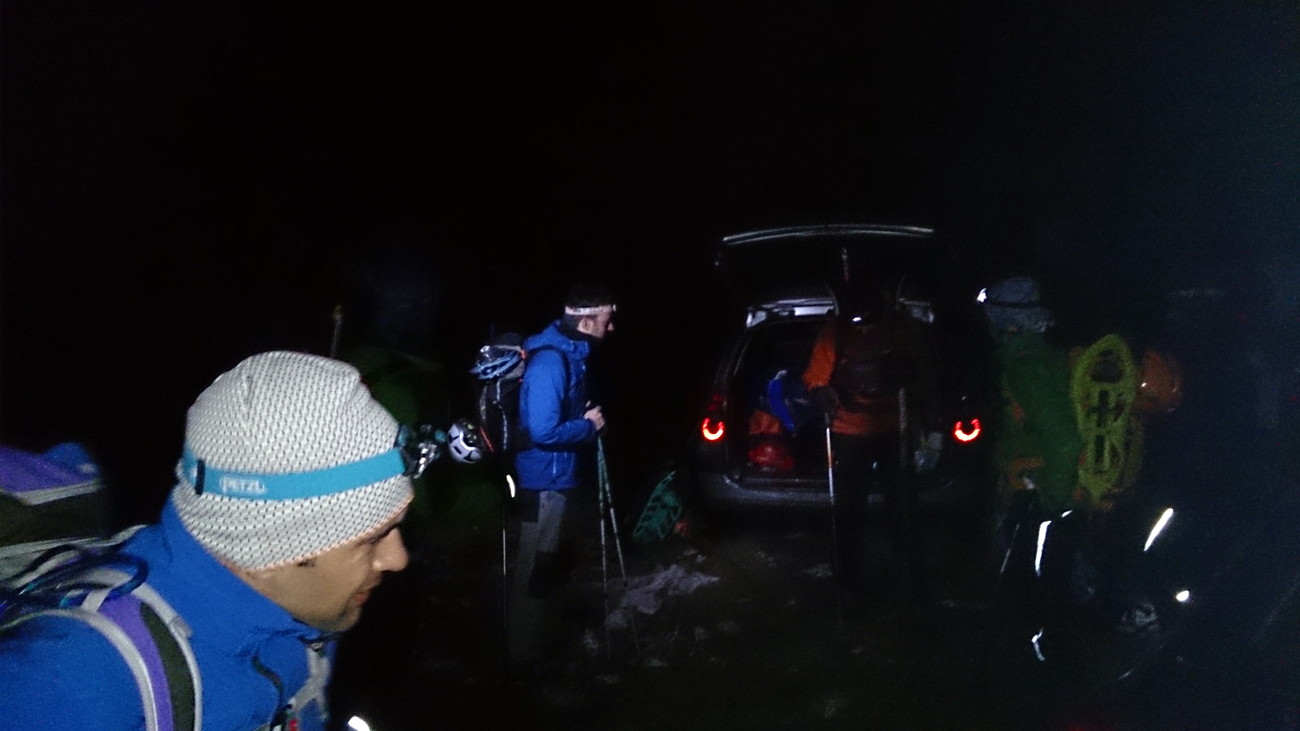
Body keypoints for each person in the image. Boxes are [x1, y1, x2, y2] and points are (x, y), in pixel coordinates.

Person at [0, 351, 415, 730]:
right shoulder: (64, 686)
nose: (398, 559)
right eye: (371, 540)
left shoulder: (306, 616)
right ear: (266, 548)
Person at [507, 283, 616, 673]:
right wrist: (587, 427)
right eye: (606, 320)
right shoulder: (551, 362)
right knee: (536, 565)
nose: (611, 327)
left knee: (546, 562)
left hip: (555, 477)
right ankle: (523, 655)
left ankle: (534, 640)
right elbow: (542, 430)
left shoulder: (571, 354)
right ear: (585, 322)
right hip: (543, 481)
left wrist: (580, 415)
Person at [802, 281, 929, 603]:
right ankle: (848, 582)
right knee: (848, 511)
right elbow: (815, 377)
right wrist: (821, 393)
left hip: (893, 429)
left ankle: (909, 578)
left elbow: (922, 370)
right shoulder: (835, 332)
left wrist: (908, 373)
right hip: (849, 431)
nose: (865, 324)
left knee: (901, 507)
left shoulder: (898, 328)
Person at [980, 276, 1084, 634]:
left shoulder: (1027, 368)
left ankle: (1046, 653)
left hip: (1034, 495)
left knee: (1038, 595)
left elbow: (1064, 440)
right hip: (1035, 491)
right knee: (1043, 592)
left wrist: (1050, 502)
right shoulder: (1044, 357)